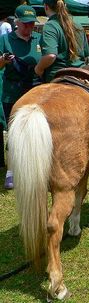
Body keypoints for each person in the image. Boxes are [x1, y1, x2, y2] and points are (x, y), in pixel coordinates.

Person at [0, 5, 41, 189]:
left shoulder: (39, 39)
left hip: (36, 91)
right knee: (15, 132)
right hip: (13, 92)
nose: (28, 27)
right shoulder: (4, 39)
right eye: (25, 24)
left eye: (31, 24)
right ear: (16, 21)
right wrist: (3, 61)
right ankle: (12, 170)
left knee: (35, 131)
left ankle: (34, 167)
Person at [34, 0, 89, 82]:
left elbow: (50, 55)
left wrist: (38, 69)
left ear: (46, 7)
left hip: (58, 76)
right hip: (80, 76)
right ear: (65, 5)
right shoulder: (77, 25)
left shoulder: (50, 25)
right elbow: (86, 55)